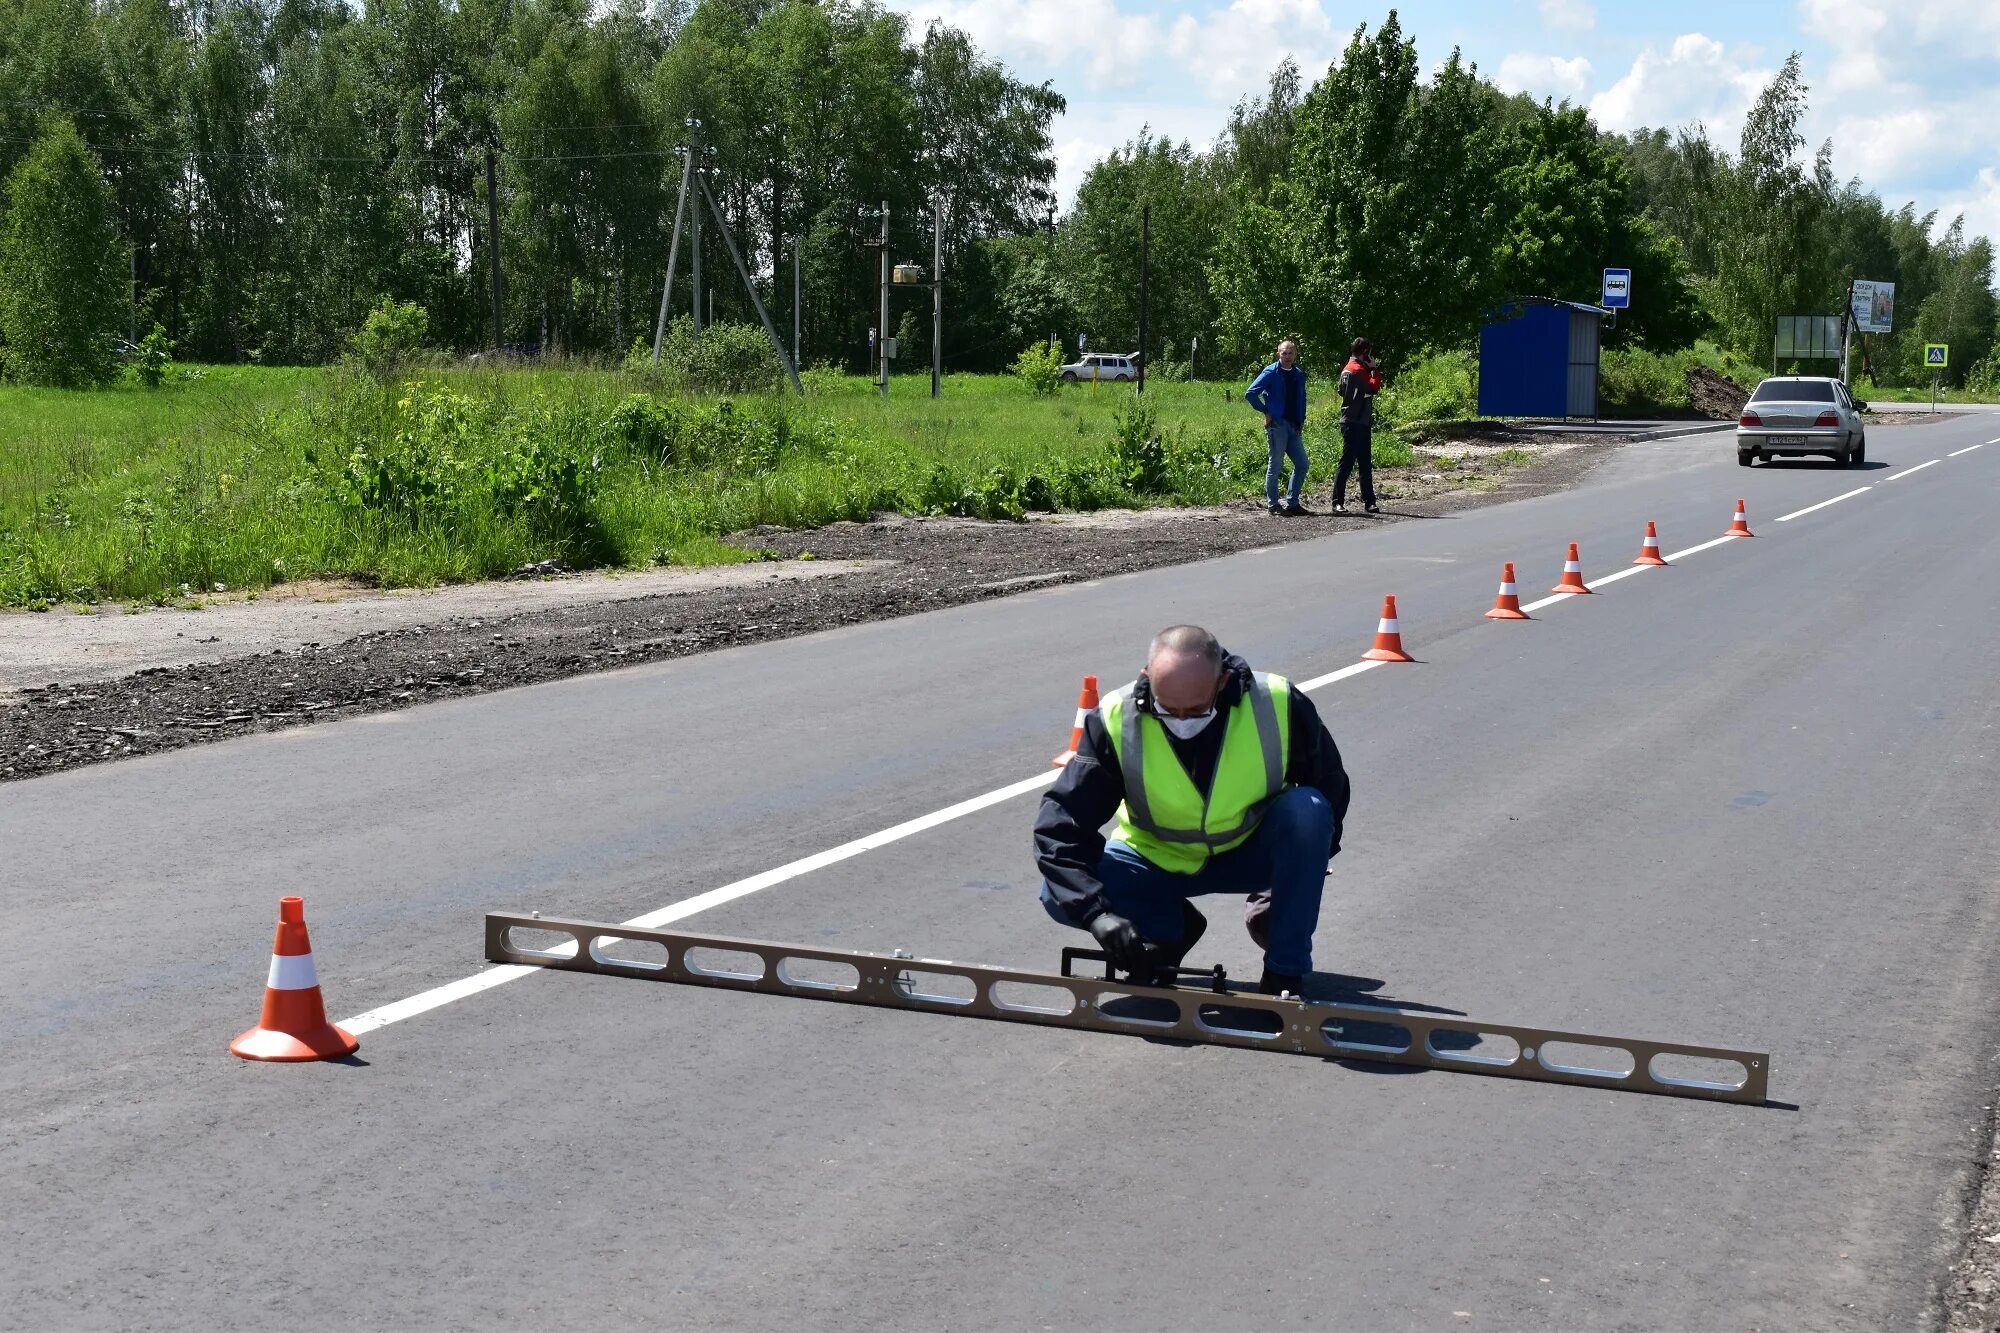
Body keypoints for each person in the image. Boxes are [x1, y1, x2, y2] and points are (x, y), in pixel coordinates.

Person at [1034, 625, 1350, 996]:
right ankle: (1172, 929)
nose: (1183, 723)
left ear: (1223, 682)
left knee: (1308, 810)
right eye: (1168, 709)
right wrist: (1098, 915)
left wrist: (1293, 884)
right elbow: (1062, 825)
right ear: (1146, 679)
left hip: (1249, 853)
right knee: (1058, 893)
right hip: (1155, 858)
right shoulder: (1116, 718)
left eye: (1197, 710)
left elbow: (1330, 791)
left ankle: (1284, 972)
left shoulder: (1275, 703)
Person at [1244, 339, 1310, 516]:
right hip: (1277, 425)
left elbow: (1302, 398)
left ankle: (1293, 502)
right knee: (1276, 464)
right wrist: (1266, 411)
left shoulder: (1298, 374)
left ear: (1295, 354)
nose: (1287, 356)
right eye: (1284, 353)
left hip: (1293, 425)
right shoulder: (1271, 372)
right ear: (1278, 354)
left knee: (1302, 463)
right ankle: (1273, 505)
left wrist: (1301, 419)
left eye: (1290, 353)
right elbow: (1250, 393)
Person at [1333, 337, 1384, 515]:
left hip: (1356, 421)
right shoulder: (1358, 370)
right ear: (1366, 352)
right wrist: (1374, 369)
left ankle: (1369, 502)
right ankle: (1337, 502)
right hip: (1355, 422)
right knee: (1349, 463)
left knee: (1363, 463)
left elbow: (1341, 390)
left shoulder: (1346, 369)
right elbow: (1373, 387)